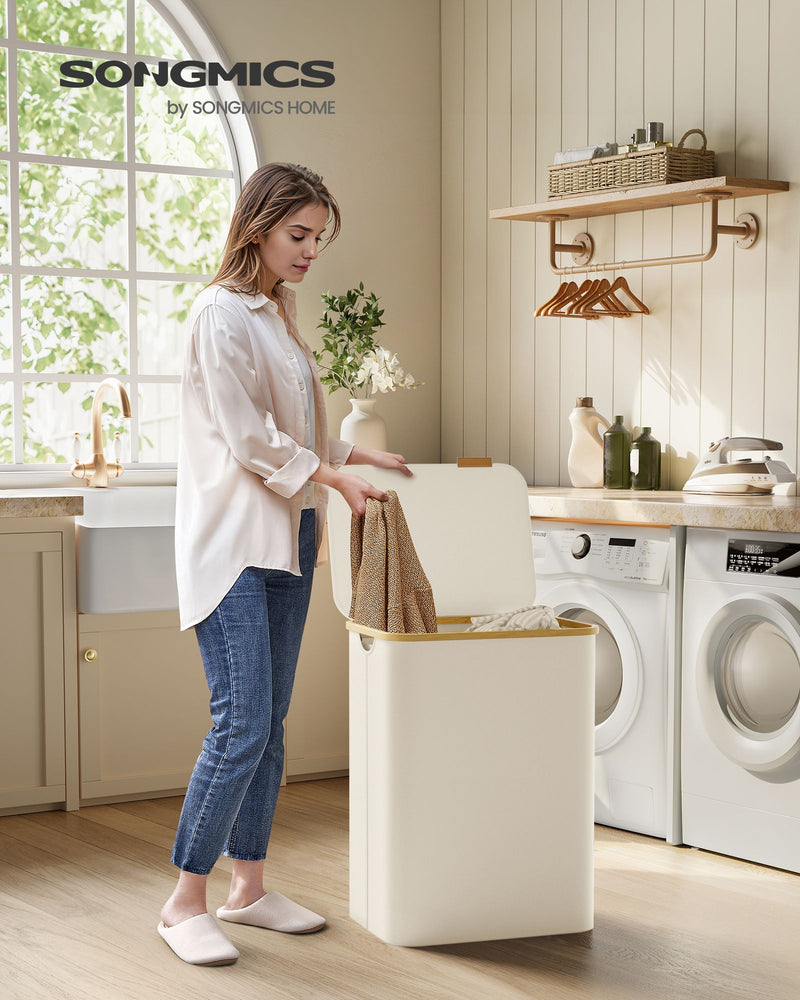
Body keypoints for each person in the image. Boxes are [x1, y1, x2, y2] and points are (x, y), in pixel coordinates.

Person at [158, 162, 413, 966]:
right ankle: (183, 900)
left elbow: (292, 421)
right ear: (259, 227)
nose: (310, 251)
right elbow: (246, 435)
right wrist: (331, 475)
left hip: (292, 538)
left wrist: (352, 450)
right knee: (239, 724)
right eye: (299, 235)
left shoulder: (277, 309)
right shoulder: (220, 314)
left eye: (317, 238)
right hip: (234, 543)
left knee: (268, 727)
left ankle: (249, 889)